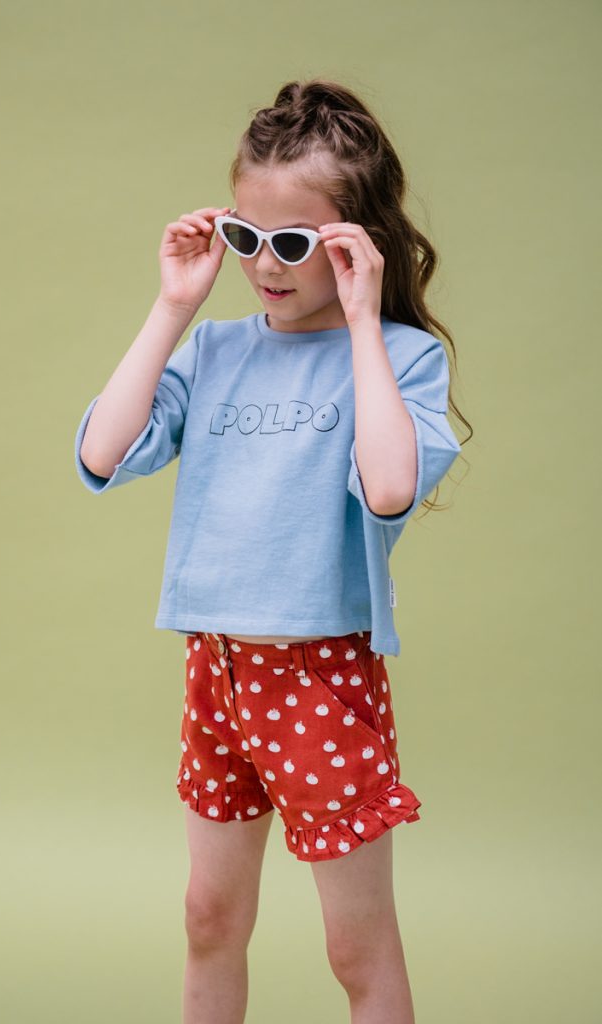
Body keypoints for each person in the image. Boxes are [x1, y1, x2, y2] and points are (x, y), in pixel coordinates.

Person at [74, 78, 470, 1024]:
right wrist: (172, 306)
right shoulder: (215, 350)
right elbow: (102, 452)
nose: (262, 264)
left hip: (320, 676)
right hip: (215, 669)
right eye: (244, 236)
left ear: (353, 242)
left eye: (291, 243)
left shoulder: (401, 360)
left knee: (354, 947)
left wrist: (366, 321)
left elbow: (388, 488)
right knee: (208, 916)